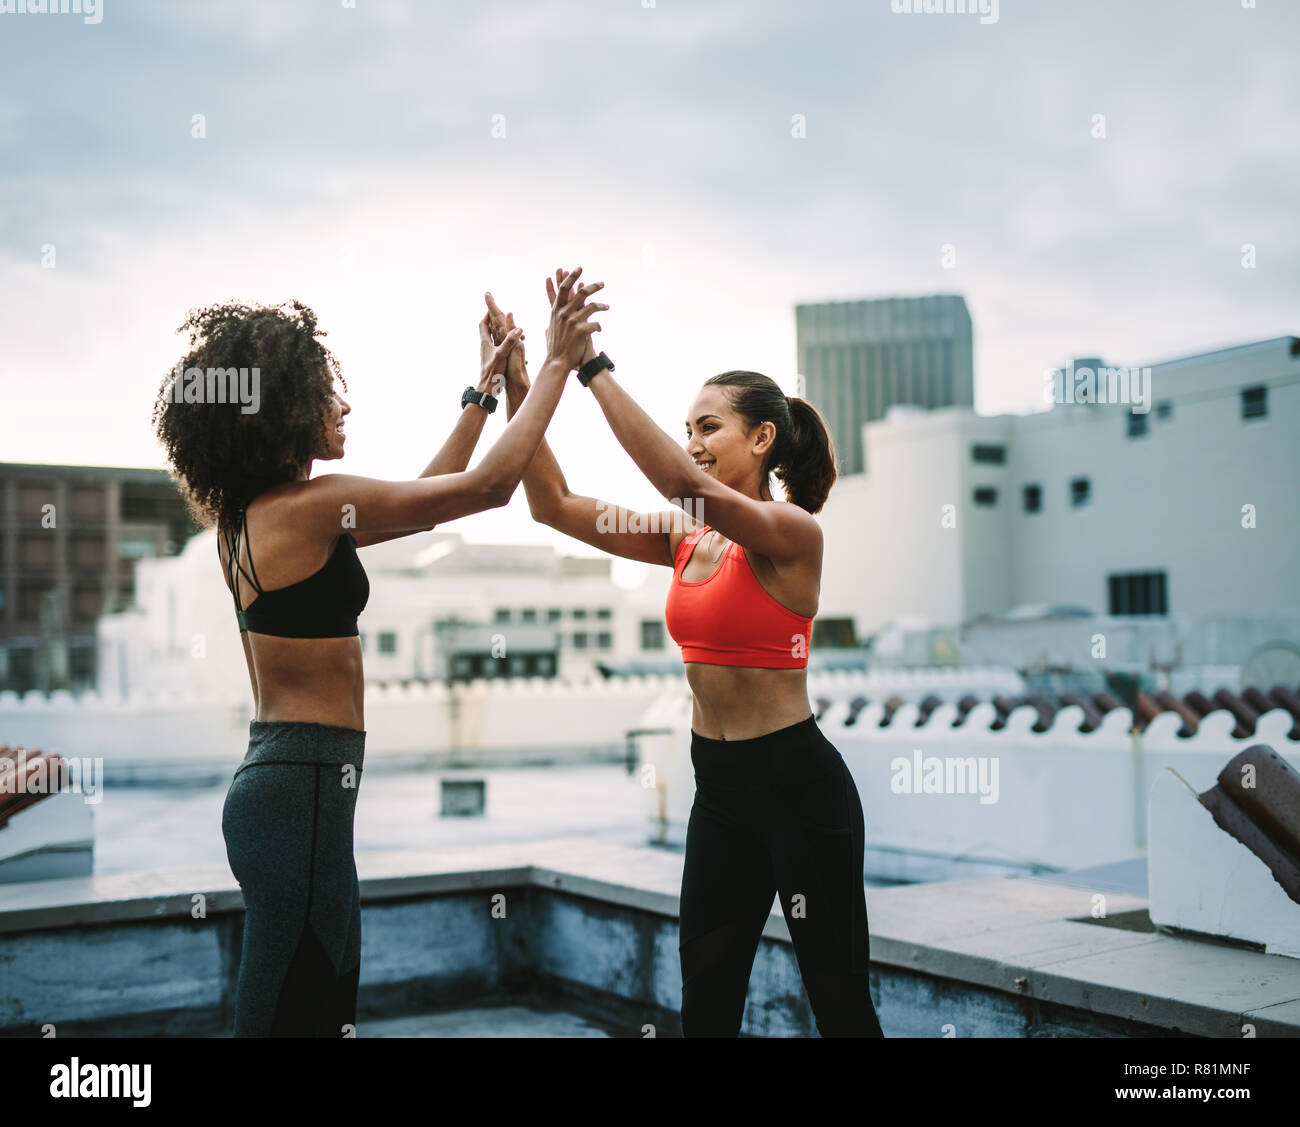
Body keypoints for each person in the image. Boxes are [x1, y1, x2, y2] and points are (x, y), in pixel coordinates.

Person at [150, 272, 606, 1035]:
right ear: (284, 410)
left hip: (291, 789)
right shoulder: (308, 507)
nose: (344, 405)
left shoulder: (260, 517)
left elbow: (430, 498)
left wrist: (484, 393)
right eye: (327, 393)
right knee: (293, 1010)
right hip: (302, 796)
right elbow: (490, 489)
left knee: (305, 1005)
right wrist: (557, 363)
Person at [485, 281, 884, 1037]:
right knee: (705, 1003)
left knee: (839, 1004)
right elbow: (556, 505)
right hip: (720, 790)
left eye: (709, 426)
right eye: (687, 426)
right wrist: (526, 381)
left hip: (801, 790)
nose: (694, 439)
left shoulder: (791, 532)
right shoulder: (684, 537)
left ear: (762, 438)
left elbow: (680, 481)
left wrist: (592, 365)